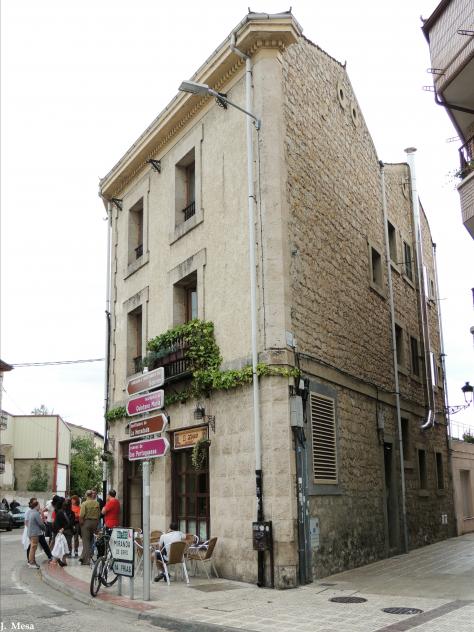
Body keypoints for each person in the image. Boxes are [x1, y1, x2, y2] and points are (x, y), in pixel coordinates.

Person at [25, 498, 53, 564]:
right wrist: (45, 528)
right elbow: (39, 523)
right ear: (34, 505)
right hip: (34, 532)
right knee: (32, 547)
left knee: (42, 544)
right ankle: (31, 561)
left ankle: (49, 556)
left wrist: (41, 514)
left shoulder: (35, 512)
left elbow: (41, 520)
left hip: (37, 532)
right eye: (38, 504)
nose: (39, 506)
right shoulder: (32, 512)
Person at [78, 490, 100, 565]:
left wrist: (81, 524)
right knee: (90, 541)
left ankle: (86, 560)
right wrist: (97, 525)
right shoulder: (97, 503)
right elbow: (98, 515)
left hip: (86, 523)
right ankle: (82, 557)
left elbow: (81, 515)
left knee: (86, 542)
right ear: (92, 495)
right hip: (95, 523)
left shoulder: (84, 503)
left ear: (86, 495)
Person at [53, 499, 74, 566]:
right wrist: (64, 528)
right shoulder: (72, 513)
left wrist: (59, 529)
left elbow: (56, 522)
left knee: (59, 545)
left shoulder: (59, 512)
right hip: (68, 531)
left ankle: (56, 559)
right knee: (67, 546)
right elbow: (71, 523)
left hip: (60, 532)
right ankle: (64, 559)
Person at [27, 500, 46, 569]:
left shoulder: (31, 512)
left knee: (32, 547)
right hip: (34, 533)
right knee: (33, 548)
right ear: (36, 506)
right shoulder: (36, 513)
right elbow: (41, 524)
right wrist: (45, 528)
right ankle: (31, 563)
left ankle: (32, 562)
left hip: (31, 533)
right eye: (39, 506)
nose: (40, 507)